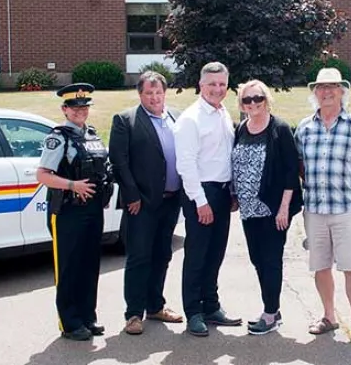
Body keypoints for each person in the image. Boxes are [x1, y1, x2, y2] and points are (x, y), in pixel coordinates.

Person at [294, 68, 351, 347]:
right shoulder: (305, 127)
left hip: (347, 210)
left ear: (342, 91)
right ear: (314, 93)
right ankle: (328, 316)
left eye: (332, 87)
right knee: (320, 267)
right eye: (321, 87)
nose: (326, 92)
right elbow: (300, 168)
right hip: (315, 210)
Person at [36, 82, 115, 342]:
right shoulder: (58, 137)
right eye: (75, 107)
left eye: (84, 106)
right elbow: (43, 175)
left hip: (93, 209)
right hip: (68, 211)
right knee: (69, 267)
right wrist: (73, 185)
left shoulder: (91, 135)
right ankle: (69, 323)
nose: (81, 111)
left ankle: (87, 317)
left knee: (89, 265)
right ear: (65, 109)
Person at [109, 71, 185, 336]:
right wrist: (131, 196)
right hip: (141, 203)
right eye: (149, 93)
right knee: (139, 257)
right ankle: (133, 313)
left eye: (158, 92)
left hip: (171, 200)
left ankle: (155, 306)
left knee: (163, 255)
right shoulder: (125, 120)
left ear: (165, 93)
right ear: (140, 94)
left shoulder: (177, 116)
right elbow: (119, 161)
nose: (154, 97)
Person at [173, 62, 243, 337]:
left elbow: (226, 156)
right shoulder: (191, 119)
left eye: (222, 84)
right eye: (212, 84)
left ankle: (211, 306)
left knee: (216, 253)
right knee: (197, 256)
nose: (217, 89)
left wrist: (233, 192)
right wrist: (201, 201)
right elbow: (186, 165)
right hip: (200, 193)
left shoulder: (223, 113)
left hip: (223, 192)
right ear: (200, 85)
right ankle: (194, 312)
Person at [231, 79, 302, 335]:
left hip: (273, 210)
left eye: (257, 98)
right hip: (249, 210)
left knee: (271, 260)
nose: (253, 104)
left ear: (266, 99)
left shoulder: (279, 128)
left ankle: (270, 314)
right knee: (257, 259)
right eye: (247, 100)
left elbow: (291, 170)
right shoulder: (241, 128)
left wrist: (284, 208)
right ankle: (273, 307)